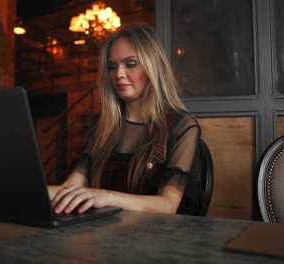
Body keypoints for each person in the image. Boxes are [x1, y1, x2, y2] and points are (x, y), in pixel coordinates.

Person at [48, 25, 207, 216]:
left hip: (155, 237)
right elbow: (69, 189)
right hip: (104, 233)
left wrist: (104, 196)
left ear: (153, 67)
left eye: (130, 64)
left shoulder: (182, 126)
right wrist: (18, 190)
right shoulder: (104, 127)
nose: (118, 74)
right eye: (112, 67)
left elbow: (168, 204)